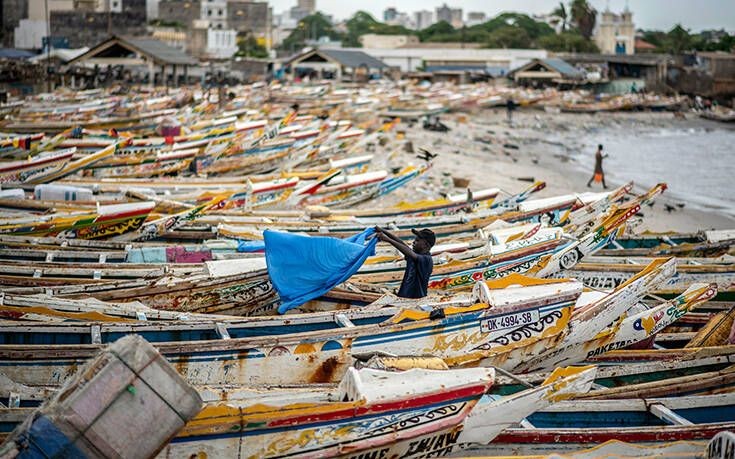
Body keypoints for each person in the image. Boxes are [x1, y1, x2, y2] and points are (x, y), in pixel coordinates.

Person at [373, 227, 435, 299]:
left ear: (426, 245)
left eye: (417, 240)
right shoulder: (414, 254)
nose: (413, 242)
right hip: (403, 297)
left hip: (416, 300)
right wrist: (383, 231)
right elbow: (400, 242)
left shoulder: (426, 260)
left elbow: (410, 253)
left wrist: (388, 240)